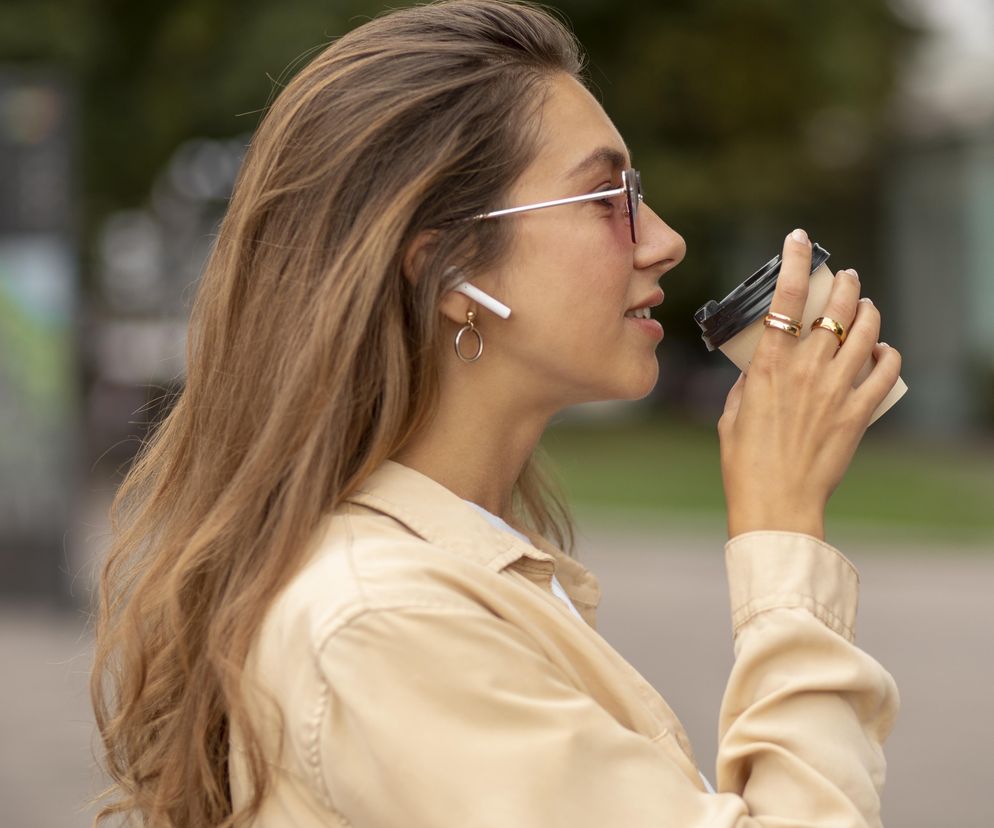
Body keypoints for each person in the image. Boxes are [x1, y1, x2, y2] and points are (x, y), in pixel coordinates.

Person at [89, 1, 904, 826]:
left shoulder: (456, 580)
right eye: (606, 198)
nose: (663, 241)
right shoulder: (386, 627)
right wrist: (783, 529)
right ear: (447, 271)